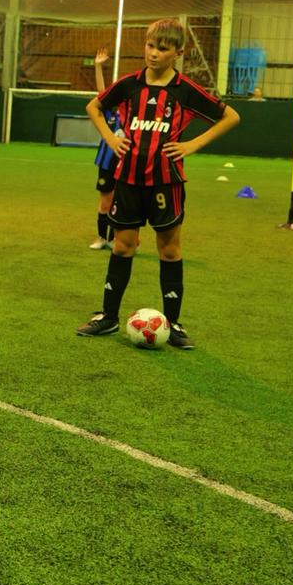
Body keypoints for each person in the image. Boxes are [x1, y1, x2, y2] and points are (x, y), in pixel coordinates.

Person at [75, 19, 239, 349]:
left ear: (178, 53)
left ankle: (174, 323)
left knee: (169, 249)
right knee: (123, 245)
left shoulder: (185, 91)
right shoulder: (129, 84)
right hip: (129, 179)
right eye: (150, 46)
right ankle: (108, 317)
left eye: (162, 49)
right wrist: (110, 138)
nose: (153, 53)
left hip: (167, 181)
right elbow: (94, 106)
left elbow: (231, 116)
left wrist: (191, 145)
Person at [89, 47, 123, 250]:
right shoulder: (109, 112)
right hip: (106, 162)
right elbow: (101, 93)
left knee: (120, 202)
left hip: (125, 163)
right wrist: (98, 67)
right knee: (105, 201)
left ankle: (114, 239)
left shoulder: (133, 115)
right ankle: (101, 237)